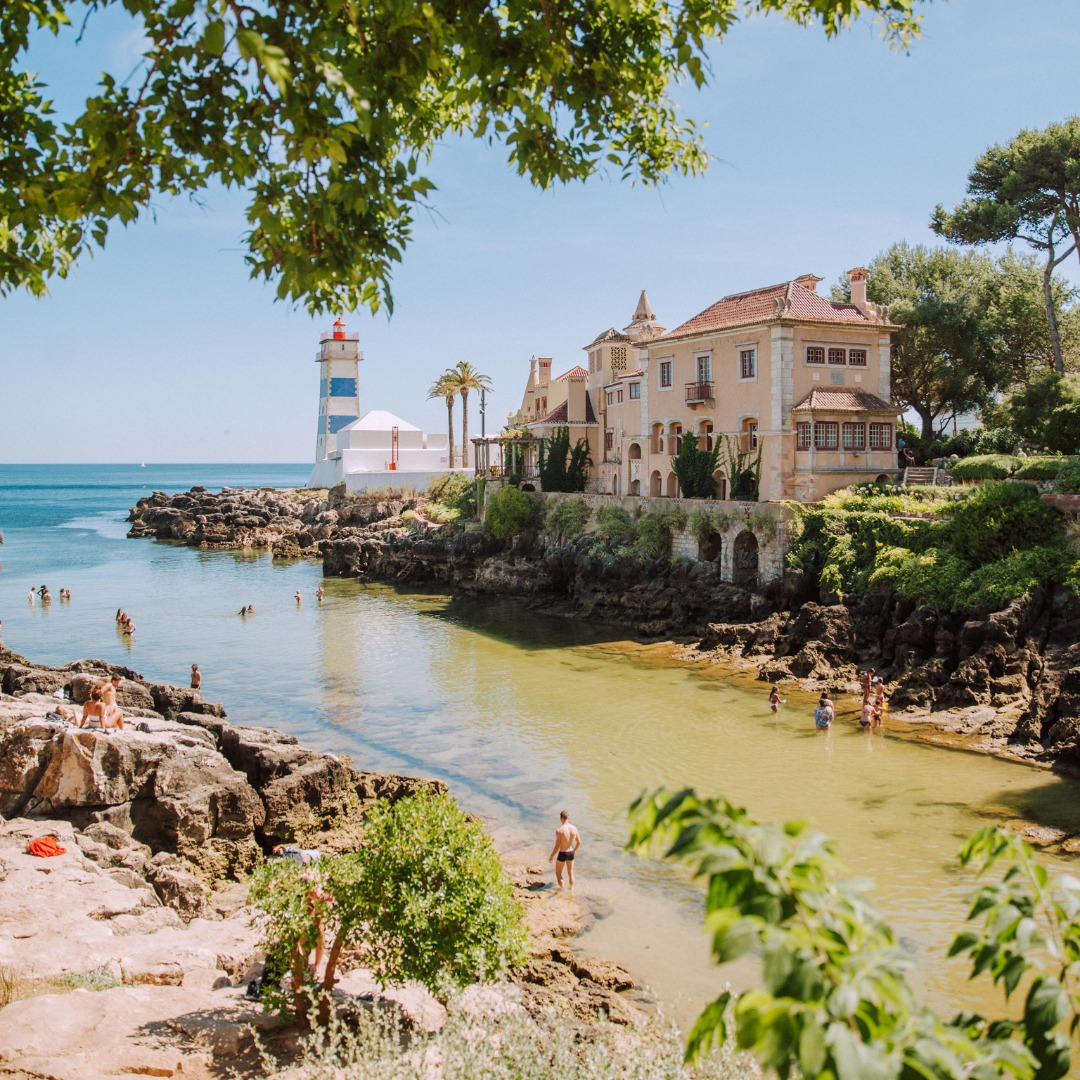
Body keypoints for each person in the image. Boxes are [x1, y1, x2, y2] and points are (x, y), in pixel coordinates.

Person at [548, 810, 581, 888]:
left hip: (563, 853)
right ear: (568, 817)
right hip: (571, 853)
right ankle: (571, 891)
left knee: (558, 874)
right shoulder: (574, 828)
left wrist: (552, 856)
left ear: (561, 818)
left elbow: (557, 846)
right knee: (571, 873)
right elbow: (579, 842)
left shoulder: (559, 830)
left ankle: (561, 890)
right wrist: (574, 851)